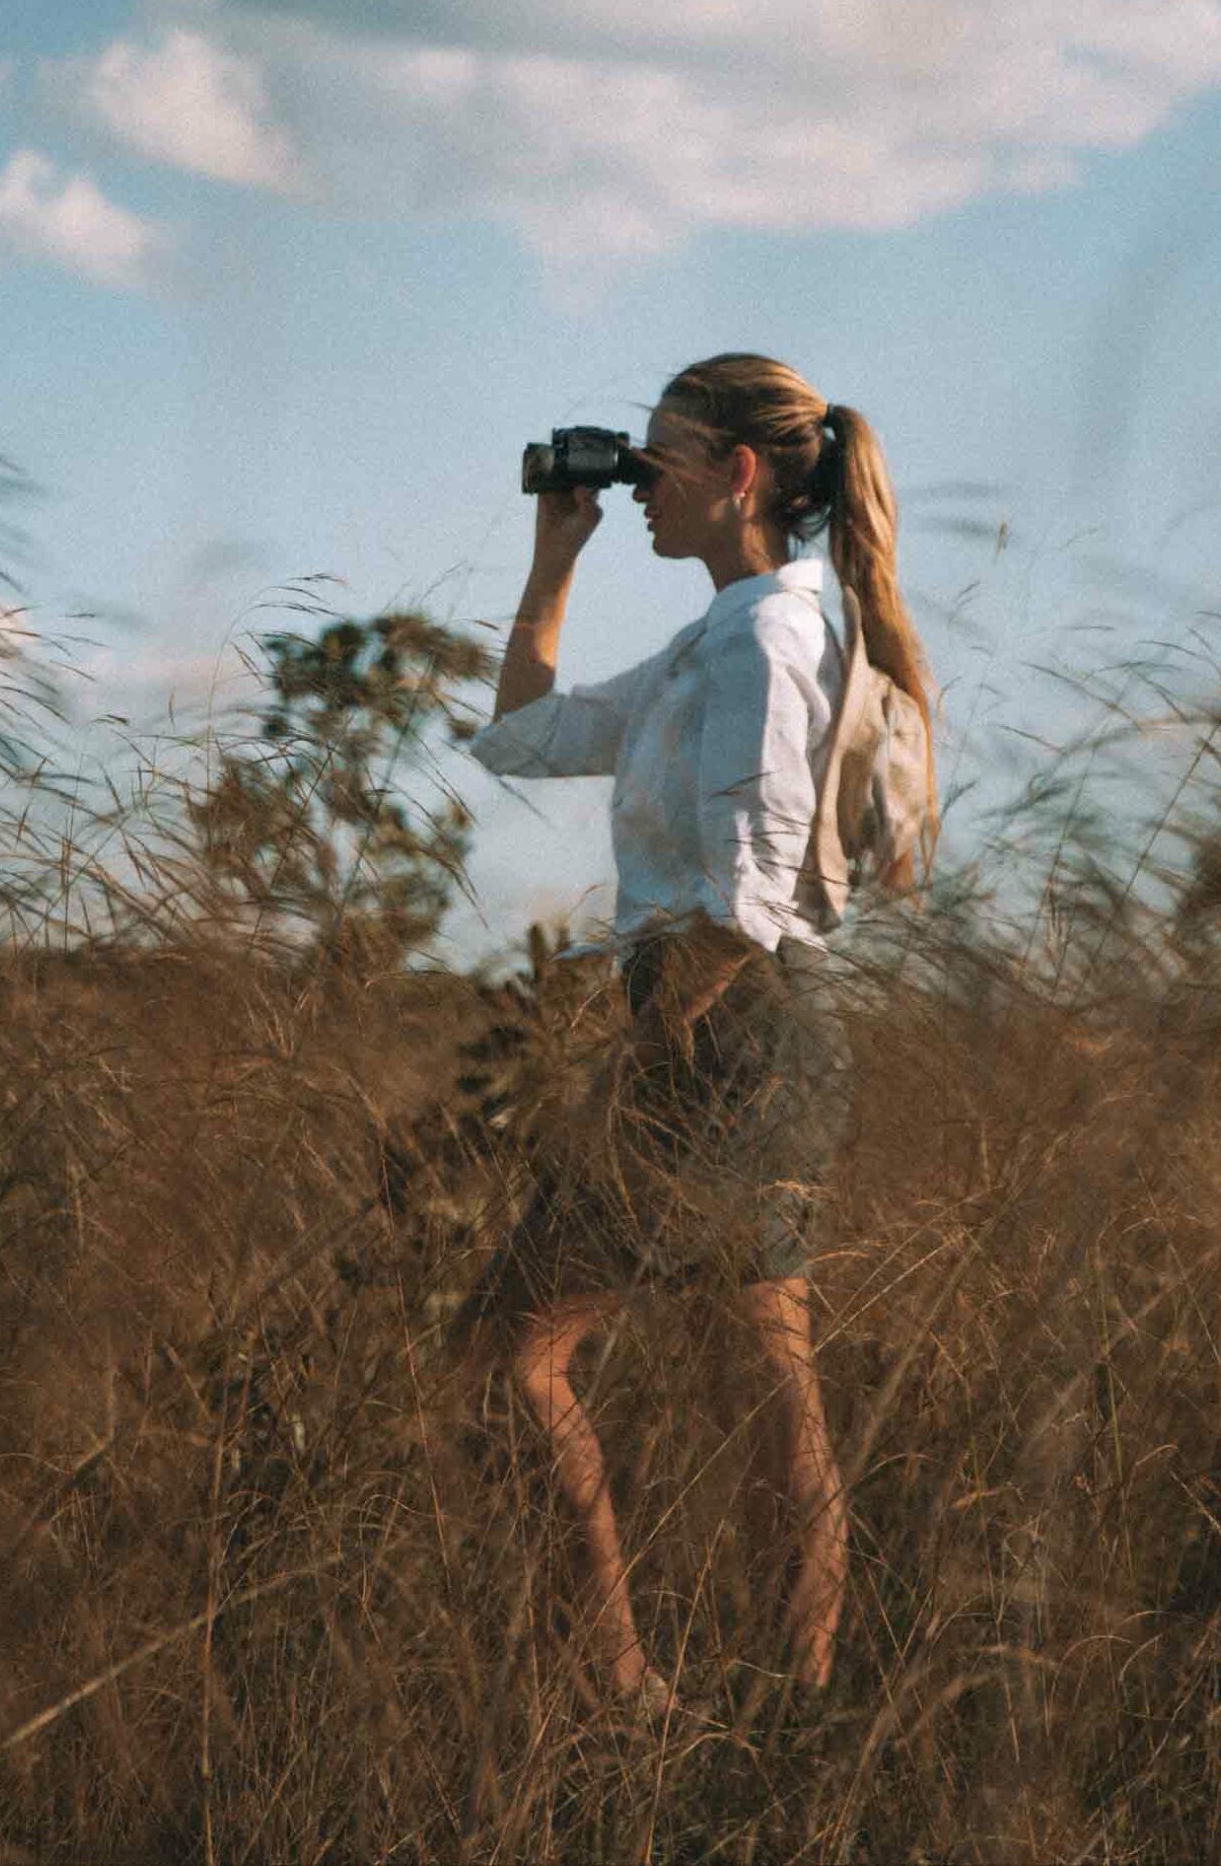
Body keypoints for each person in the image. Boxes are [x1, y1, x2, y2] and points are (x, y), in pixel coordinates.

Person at [459, 352, 938, 1721]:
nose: (638, 477)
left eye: (658, 455)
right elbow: (525, 739)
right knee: (767, 1388)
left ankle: (620, 1692)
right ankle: (793, 1714)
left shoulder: (770, 641)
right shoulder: (718, 637)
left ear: (738, 473)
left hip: (721, 1030)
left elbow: (746, 890)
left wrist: (640, 1057)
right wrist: (558, 550)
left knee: (507, 1352)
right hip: (750, 1029)